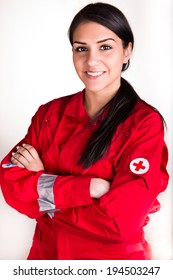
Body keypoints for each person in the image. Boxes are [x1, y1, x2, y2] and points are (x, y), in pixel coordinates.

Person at [0, 2, 169, 260]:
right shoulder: (50, 115)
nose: (91, 60)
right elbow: (11, 182)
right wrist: (92, 188)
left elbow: (120, 223)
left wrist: (44, 186)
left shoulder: (144, 124)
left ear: (127, 51)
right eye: (81, 49)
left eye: (105, 47)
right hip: (47, 259)